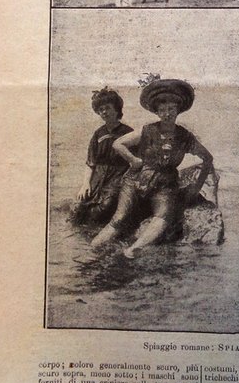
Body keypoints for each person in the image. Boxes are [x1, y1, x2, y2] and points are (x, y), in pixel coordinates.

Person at [91, 78, 213, 257]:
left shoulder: (185, 137)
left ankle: (134, 249)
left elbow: (207, 158)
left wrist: (196, 187)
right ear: (157, 112)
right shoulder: (147, 130)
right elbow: (118, 144)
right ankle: (93, 249)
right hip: (134, 180)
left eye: (171, 109)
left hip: (165, 185)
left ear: (178, 110)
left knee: (163, 218)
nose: (167, 114)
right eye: (162, 110)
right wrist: (133, 160)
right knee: (120, 219)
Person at [69, 88, 133, 225]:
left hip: (118, 176)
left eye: (108, 108)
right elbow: (91, 162)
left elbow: (135, 161)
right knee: (79, 206)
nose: (104, 112)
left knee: (104, 207)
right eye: (101, 109)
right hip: (98, 176)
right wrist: (85, 184)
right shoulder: (98, 134)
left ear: (116, 109)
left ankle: (94, 233)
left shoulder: (128, 132)